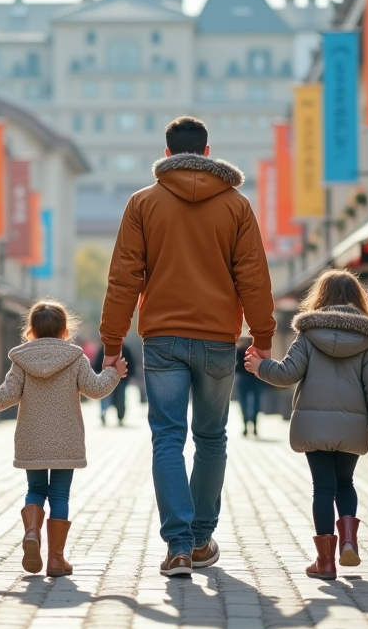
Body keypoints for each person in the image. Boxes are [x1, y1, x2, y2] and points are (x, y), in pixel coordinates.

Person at [100, 115, 276, 578]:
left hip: (161, 340)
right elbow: (253, 278)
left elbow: (124, 278)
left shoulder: (142, 203)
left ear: (167, 155)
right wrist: (262, 340)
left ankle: (177, 546)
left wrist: (112, 344)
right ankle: (201, 539)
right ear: (207, 151)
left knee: (167, 437)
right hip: (219, 340)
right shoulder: (236, 206)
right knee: (212, 437)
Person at [245, 269, 368, 579]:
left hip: (313, 426)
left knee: (323, 488)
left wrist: (260, 367)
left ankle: (325, 563)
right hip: (353, 427)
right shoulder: (366, 339)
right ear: (357, 299)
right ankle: (349, 541)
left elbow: (287, 373)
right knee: (346, 484)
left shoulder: (309, 333)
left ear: (320, 297)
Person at [0, 300, 125, 577]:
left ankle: (32, 531)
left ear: (30, 331)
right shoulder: (75, 358)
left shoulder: (21, 360)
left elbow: (5, 397)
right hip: (65, 439)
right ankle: (56, 559)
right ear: (65, 330)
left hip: (31, 439)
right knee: (59, 494)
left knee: (35, 490)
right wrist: (114, 373)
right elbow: (95, 389)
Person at [95, 341, 135, 426]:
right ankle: (106, 414)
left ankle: (116, 415)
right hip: (110, 379)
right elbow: (98, 364)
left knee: (115, 398)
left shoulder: (123, 349)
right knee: (110, 398)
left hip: (120, 379)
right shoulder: (105, 348)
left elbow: (130, 364)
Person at [235, 336, 264, 437]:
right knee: (255, 402)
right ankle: (253, 426)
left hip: (243, 378)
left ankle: (246, 426)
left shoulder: (239, 351)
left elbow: (235, 366)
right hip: (255, 378)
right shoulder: (256, 350)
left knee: (244, 402)